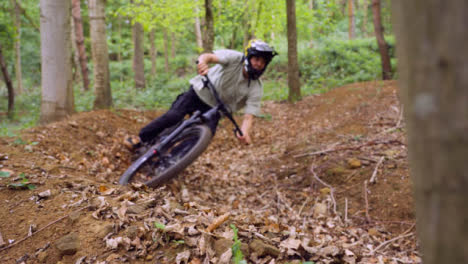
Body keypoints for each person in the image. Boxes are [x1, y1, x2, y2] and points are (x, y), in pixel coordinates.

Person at [125, 39, 277, 150]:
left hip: (215, 110)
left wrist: (244, 132)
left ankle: (171, 162)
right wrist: (203, 62)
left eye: (262, 62)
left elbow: (249, 116)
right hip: (199, 92)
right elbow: (209, 57)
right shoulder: (235, 58)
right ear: (248, 57)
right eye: (256, 59)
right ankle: (140, 137)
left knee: (201, 139)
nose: (258, 64)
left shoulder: (256, 88)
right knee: (174, 116)